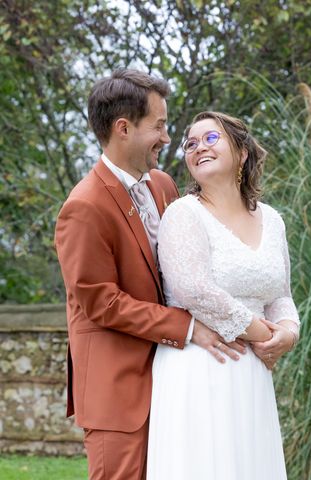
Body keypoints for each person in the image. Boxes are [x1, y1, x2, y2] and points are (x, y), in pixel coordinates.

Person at [55, 70, 245, 479]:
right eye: (158, 126)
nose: (166, 137)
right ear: (124, 128)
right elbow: (100, 302)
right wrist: (188, 327)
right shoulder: (84, 207)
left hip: (175, 379)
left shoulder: (162, 185)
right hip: (118, 387)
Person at [146, 111, 300, 479]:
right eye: (190, 144)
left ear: (242, 152)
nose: (199, 147)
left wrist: (288, 333)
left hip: (252, 373)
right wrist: (262, 334)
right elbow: (193, 289)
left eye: (211, 138)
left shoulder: (272, 219)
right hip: (201, 365)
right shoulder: (183, 214)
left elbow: (281, 295)